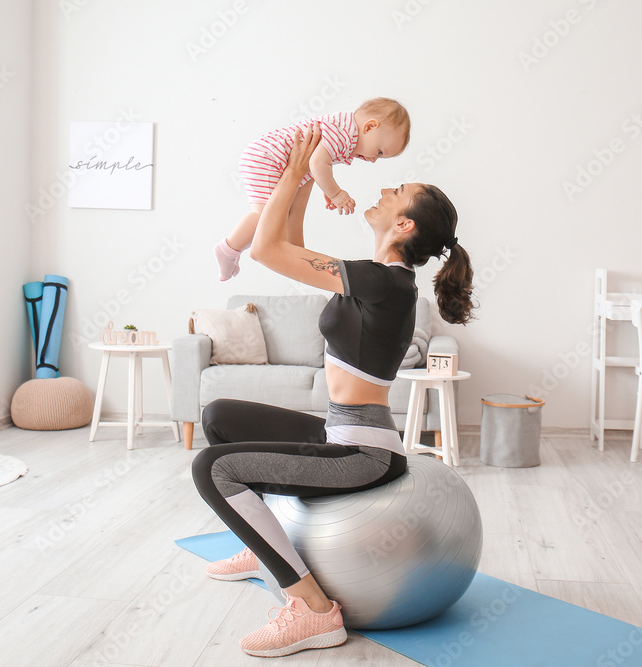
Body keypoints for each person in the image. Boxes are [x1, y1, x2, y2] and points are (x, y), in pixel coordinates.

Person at [192, 125, 474, 658]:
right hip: (336, 432)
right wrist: (295, 184)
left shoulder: (384, 281)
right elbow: (291, 245)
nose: (384, 192)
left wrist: (292, 176)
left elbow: (268, 250)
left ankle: (314, 612)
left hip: (362, 456)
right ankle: (263, 546)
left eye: (396, 193)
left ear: (404, 223)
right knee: (220, 415)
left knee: (211, 467)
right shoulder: (376, 277)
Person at [213, 97, 411, 281]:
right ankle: (228, 249)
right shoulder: (345, 133)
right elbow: (317, 163)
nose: (374, 160)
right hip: (269, 158)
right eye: (378, 151)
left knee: (275, 222)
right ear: (370, 127)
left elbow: (320, 164)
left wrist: (326, 185)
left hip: (268, 157)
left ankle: (235, 250)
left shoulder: (345, 130)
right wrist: (336, 193)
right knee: (265, 219)